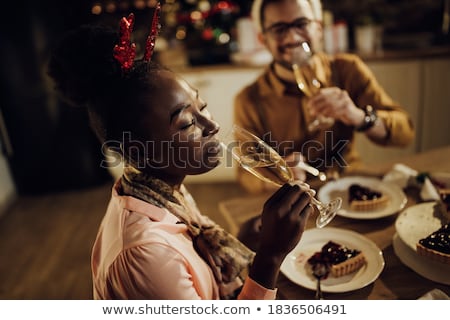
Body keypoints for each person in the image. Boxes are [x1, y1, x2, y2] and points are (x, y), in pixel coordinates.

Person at [47, 12, 313, 299]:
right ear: (140, 151)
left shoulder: (158, 189)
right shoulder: (145, 255)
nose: (213, 125)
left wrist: (243, 240)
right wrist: (270, 257)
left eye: (203, 106)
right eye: (187, 123)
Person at [234, 0, 415, 194]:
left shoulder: (348, 70)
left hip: (349, 187)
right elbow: (246, 175)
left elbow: (405, 134)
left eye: (301, 24)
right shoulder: (248, 100)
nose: (293, 37)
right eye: (279, 29)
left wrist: (360, 117)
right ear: (263, 39)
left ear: (319, 29)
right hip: (293, 196)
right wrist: (278, 176)